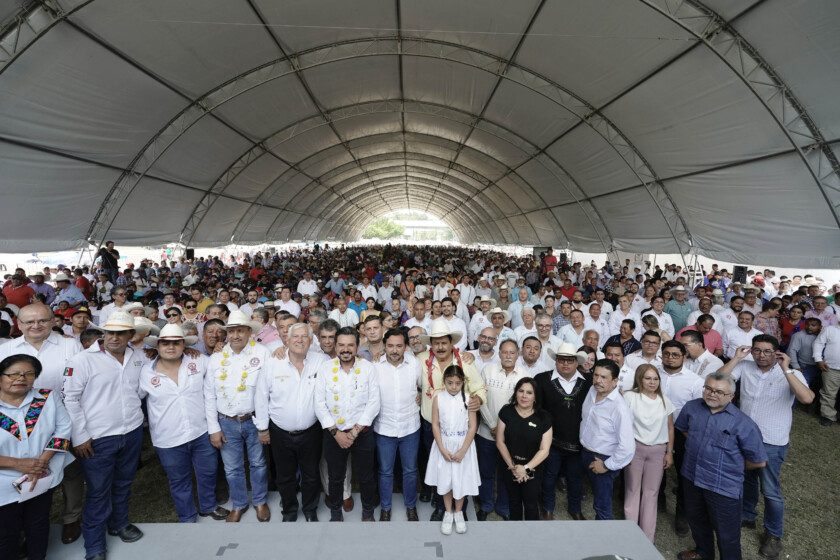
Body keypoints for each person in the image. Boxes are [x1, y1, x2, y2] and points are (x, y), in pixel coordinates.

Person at [719, 335, 814, 560]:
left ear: (777, 352)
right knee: (747, 479)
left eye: (767, 351)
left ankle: (773, 534)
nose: (762, 355)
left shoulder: (790, 373)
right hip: (745, 437)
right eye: (757, 351)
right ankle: (747, 515)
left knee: (770, 490)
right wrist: (736, 358)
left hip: (773, 440)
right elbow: (717, 379)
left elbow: (807, 398)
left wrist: (786, 369)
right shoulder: (746, 367)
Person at [63, 311, 146, 559]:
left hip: (131, 431)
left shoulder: (137, 356)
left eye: (121, 333)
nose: (114, 338)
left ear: (131, 335)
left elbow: (138, 391)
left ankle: (119, 523)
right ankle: (95, 544)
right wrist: (80, 437)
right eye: (110, 332)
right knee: (99, 491)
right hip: (97, 437)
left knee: (123, 483)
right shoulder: (82, 361)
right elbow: (70, 399)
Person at [139, 324, 228, 523]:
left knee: (208, 471)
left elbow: (223, 364)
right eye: (165, 343)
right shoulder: (145, 372)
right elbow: (132, 398)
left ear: (183, 345)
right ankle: (187, 517)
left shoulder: (199, 362)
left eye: (176, 343)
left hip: (200, 431)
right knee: (179, 480)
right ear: (158, 346)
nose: (171, 347)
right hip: (168, 437)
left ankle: (208, 506)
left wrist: (223, 349)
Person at [675, 372, 768, 560]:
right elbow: (683, 429)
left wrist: (729, 466)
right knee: (697, 521)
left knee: (727, 535)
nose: (712, 394)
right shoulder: (691, 408)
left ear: (731, 396)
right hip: (692, 477)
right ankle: (703, 553)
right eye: (708, 389)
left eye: (719, 391)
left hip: (723, 487)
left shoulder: (744, 424)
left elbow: (758, 461)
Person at [0, 354, 74, 560]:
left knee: (38, 525)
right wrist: (18, 464)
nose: (21, 378)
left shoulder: (46, 397)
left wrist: (40, 463)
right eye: (13, 374)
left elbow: (63, 428)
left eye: (28, 373)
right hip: (3, 483)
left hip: (40, 476)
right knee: (6, 533)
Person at [204, 310, 271, 522]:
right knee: (232, 468)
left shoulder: (263, 353)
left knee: (258, 463)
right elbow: (209, 395)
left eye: (240, 330)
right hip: (227, 422)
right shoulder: (216, 358)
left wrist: (264, 425)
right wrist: (214, 428)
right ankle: (239, 503)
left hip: (254, 420)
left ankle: (260, 501)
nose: (235, 335)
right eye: (231, 331)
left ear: (249, 332)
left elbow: (270, 389)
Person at [255, 323, 325, 522]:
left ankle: (310, 510)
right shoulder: (272, 363)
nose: (300, 340)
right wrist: (262, 428)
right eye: (296, 336)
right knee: (285, 476)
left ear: (311, 341)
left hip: (311, 431)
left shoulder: (321, 361)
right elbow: (261, 396)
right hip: (280, 431)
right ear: (286, 339)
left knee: (311, 474)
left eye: (305, 337)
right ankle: (289, 511)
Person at [417, 318, 485, 521]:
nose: (439, 346)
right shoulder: (421, 360)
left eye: (443, 342)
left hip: (460, 427)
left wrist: (478, 400)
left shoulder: (463, 361)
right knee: (441, 469)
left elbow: (479, 387)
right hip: (432, 425)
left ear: (451, 343)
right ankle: (442, 508)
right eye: (435, 342)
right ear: (431, 344)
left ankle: (460, 510)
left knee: (460, 467)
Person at [314, 327, 380, 522]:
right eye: (341, 345)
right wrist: (336, 433)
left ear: (357, 347)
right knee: (335, 477)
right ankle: (336, 513)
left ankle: (368, 511)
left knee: (366, 476)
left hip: (362, 433)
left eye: (350, 345)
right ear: (335, 346)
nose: (345, 349)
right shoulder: (325, 369)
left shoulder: (368, 368)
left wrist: (354, 432)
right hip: (334, 434)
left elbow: (374, 402)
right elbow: (319, 403)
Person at [424, 365, 480, 535]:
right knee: (446, 479)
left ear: (463, 382)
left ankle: (459, 512)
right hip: (444, 444)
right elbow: (435, 423)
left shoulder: (469, 399)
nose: (454, 387)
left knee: (460, 479)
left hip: (463, 445)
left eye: (457, 383)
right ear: (444, 382)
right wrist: (441, 447)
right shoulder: (438, 398)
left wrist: (463, 450)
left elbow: (472, 426)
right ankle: (448, 512)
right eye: (450, 383)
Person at [372, 328, 421, 521]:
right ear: (384, 346)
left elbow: (423, 386)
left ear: (405, 347)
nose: (394, 350)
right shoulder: (374, 367)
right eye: (390, 346)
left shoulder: (414, 364)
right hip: (384, 428)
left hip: (410, 427)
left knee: (410, 470)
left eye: (399, 346)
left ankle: (411, 506)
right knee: (385, 471)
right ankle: (386, 508)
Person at [623, 364, 675, 542]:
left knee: (651, 493)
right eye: (648, 378)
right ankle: (630, 534)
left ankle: (647, 538)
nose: (652, 382)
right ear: (640, 379)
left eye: (655, 378)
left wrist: (669, 452)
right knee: (632, 490)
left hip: (658, 450)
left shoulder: (664, 400)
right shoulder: (630, 397)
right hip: (635, 448)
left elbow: (670, 427)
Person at [579, 359, 635, 520]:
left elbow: (628, 447)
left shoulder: (619, 408)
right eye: (596, 375)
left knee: (602, 506)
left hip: (602, 458)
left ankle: (604, 542)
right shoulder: (592, 390)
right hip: (585, 452)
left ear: (615, 381)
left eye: (604, 377)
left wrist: (606, 465)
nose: (598, 380)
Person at [476, 339, 526, 520]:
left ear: (517, 354)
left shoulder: (524, 375)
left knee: (508, 472)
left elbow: (525, 406)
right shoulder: (487, 370)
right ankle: (486, 504)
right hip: (486, 432)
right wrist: (492, 425)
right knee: (486, 471)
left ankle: (504, 506)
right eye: (505, 352)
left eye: (512, 352)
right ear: (499, 353)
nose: (508, 356)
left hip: (511, 437)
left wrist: (505, 430)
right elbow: (479, 398)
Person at [495, 377, 552, 521]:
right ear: (515, 393)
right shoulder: (506, 411)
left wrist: (525, 468)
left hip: (533, 470)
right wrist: (513, 467)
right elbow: (500, 441)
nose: (524, 396)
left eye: (529, 392)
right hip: (510, 467)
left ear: (535, 396)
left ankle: (531, 538)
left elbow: (544, 449)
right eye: (521, 391)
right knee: (513, 502)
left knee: (531, 504)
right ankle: (516, 536)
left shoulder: (544, 417)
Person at [813, 321, 840, 426]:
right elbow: (818, 343)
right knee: (829, 393)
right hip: (831, 367)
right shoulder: (830, 329)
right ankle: (828, 416)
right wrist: (818, 359)